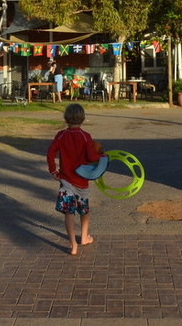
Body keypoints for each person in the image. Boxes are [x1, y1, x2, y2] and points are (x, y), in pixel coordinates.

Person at [46, 103, 102, 255]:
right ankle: (84, 237)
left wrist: (53, 171)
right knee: (84, 211)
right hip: (82, 182)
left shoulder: (61, 135)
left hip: (66, 181)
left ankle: (73, 246)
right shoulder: (86, 137)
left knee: (69, 213)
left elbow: (50, 153)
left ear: (66, 118)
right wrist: (102, 156)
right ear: (83, 119)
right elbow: (91, 157)